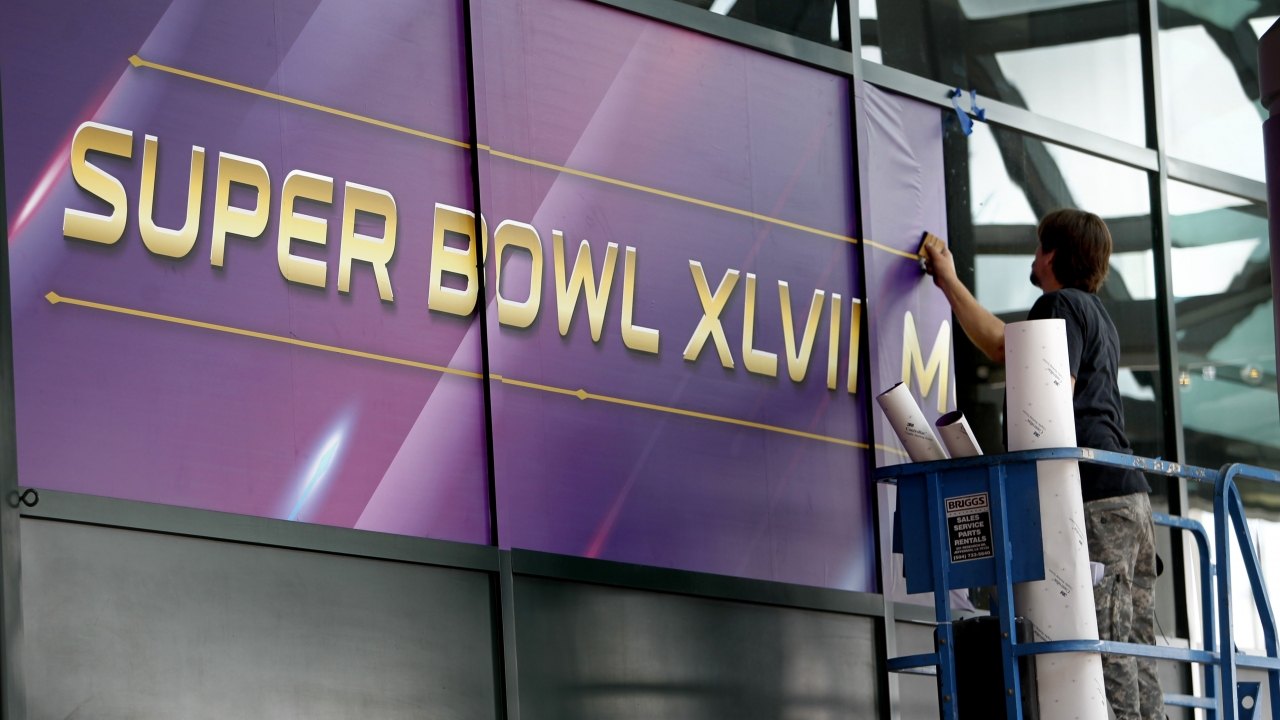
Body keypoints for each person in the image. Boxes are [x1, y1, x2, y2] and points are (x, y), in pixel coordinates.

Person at [921, 208, 1161, 720]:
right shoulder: (1093, 312)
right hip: (1129, 498)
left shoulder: (1058, 303)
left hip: (1095, 495)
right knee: (1136, 643)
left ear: (1053, 254)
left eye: (1037, 247)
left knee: (1102, 643)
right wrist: (948, 282)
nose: (1034, 257)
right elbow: (1004, 345)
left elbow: (1050, 388)